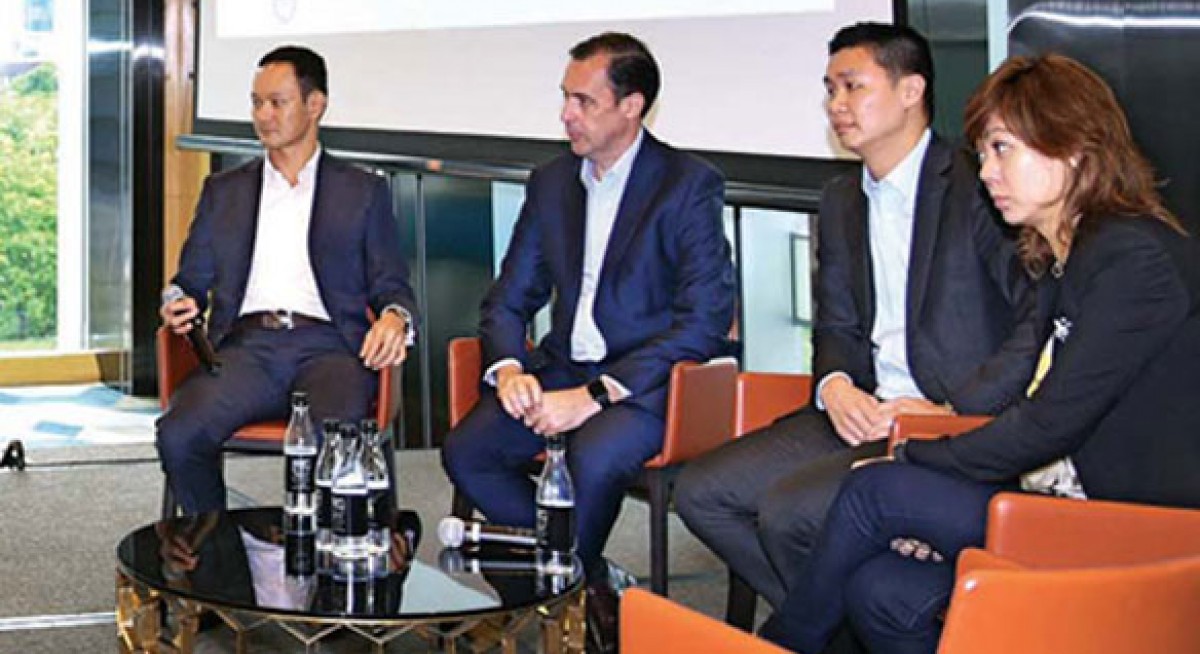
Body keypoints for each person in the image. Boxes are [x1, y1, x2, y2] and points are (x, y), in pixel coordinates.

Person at [759, 53, 1200, 654]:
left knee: (876, 491)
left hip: (1147, 528)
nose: (988, 172)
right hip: (1065, 502)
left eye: (1002, 149)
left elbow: (1046, 425)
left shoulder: (1133, 260)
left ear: (1073, 147)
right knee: (881, 591)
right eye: (984, 152)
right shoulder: (1065, 256)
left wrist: (915, 457)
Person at [675, 22, 1038, 615]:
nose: (835, 105)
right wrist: (835, 385)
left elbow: (1033, 321)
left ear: (911, 90)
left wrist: (956, 411)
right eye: (829, 90)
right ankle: (835, 628)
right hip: (862, 410)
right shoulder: (841, 198)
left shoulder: (980, 186)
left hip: (946, 422)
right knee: (702, 493)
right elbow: (836, 326)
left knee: (788, 512)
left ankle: (823, 627)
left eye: (852, 86)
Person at [441, 31, 735, 585]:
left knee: (592, 458)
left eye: (583, 102)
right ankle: (583, 576)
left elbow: (704, 323)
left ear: (631, 106)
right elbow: (509, 298)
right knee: (468, 451)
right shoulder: (552, 182)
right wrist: (509, 369)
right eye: (565, 97)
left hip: (645, 385)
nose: (566, 115)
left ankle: (562, 582)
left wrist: (594, 396)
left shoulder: (688, 185)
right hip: (561, 368)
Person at [157, 45, 417, 514]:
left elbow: (392, 285)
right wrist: (177, 301)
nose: (263, 116)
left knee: (333, 441)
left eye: (277, 103)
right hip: (245, 351)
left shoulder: (362, 191)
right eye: (256, 103)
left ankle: (324, 554)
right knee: (180, 434)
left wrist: (395, 318)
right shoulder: (224, 192)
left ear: (315, 105)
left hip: (331, 349)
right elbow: (188, 282)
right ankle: (215, 546)